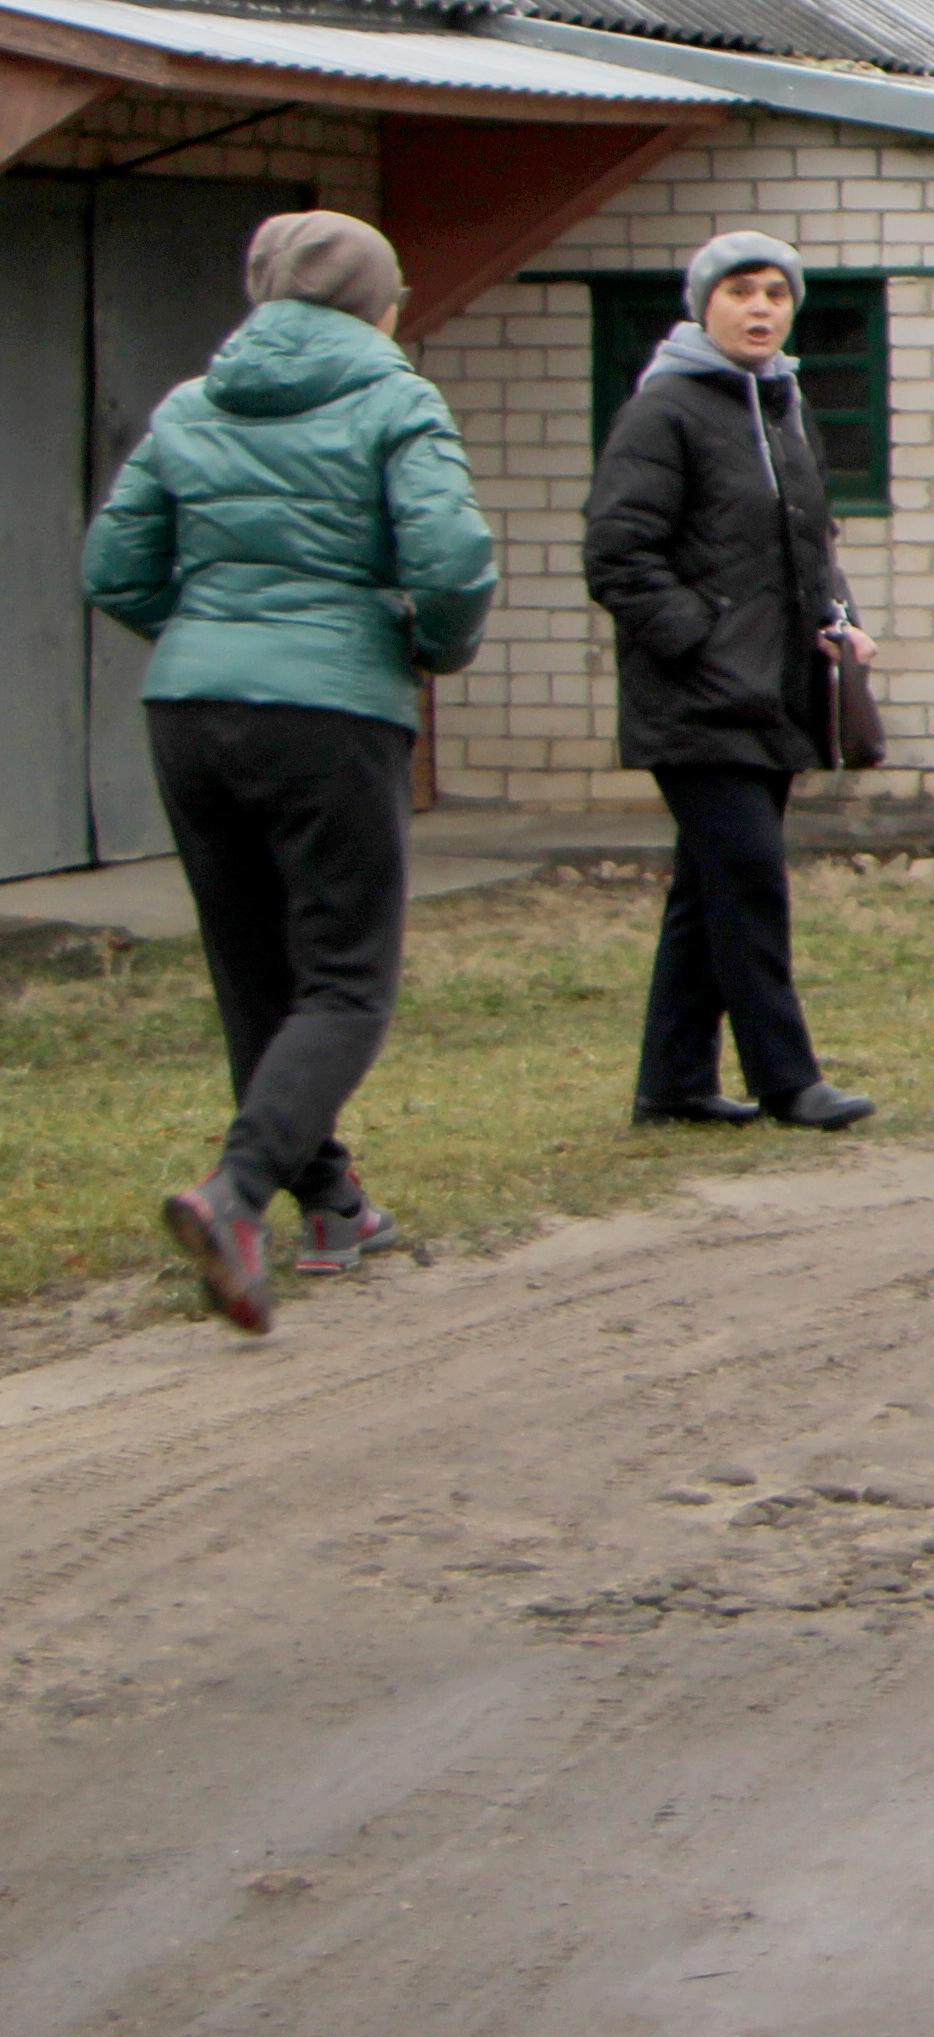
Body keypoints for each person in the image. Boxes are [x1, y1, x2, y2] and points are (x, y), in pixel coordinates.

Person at [80, 209, 495, 1334]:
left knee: (256, 972)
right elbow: (452, 559)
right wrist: (424, 646)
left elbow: (113, 568)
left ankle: (331, 1205)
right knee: (346, 982)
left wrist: (213, 630)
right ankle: (235, 1194)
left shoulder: (191, 403)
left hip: (190, 708)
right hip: (331, 709)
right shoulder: (395, 398)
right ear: (381, 303)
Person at [585, 231, 880, 1138]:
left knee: (708, 889)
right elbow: (617, 556)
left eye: (777, 295)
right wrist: (704, 646)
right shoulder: (663, 412)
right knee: (749, 886)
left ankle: (672, 1085)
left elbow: (808, 539)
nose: (761, 309)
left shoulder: (784, 404)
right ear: (701, 306)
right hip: (699, 699)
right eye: (741, 293)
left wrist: (840, 615)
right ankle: (789, 1080)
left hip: (778, 692)